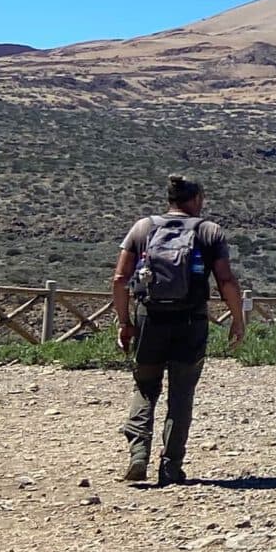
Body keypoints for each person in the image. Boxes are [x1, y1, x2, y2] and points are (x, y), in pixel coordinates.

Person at [111, 175, 245, 486]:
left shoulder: (142, 228)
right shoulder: (209, 231)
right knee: (181, 394)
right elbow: (225, 280)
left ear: (170, 199)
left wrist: (125, 322)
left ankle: (138, 455)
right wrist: (238, 319)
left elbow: (120, 279)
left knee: (145, 387)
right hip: (191, 322)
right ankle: (171, 466)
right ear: (196, 199)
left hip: (149, 319)